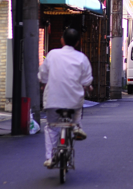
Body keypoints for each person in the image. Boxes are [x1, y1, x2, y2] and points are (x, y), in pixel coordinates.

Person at [38, 28, 93, 169]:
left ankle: (50, 157)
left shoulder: (52, 55)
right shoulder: (82, 58)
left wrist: (43, 83)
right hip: (74, 101)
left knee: (51, 128)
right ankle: (76, 126)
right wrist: (87, 86)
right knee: (77, 108)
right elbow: (87, 81)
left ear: (62, 40)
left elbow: (42, 75)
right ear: (77, 43)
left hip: (53, 100)